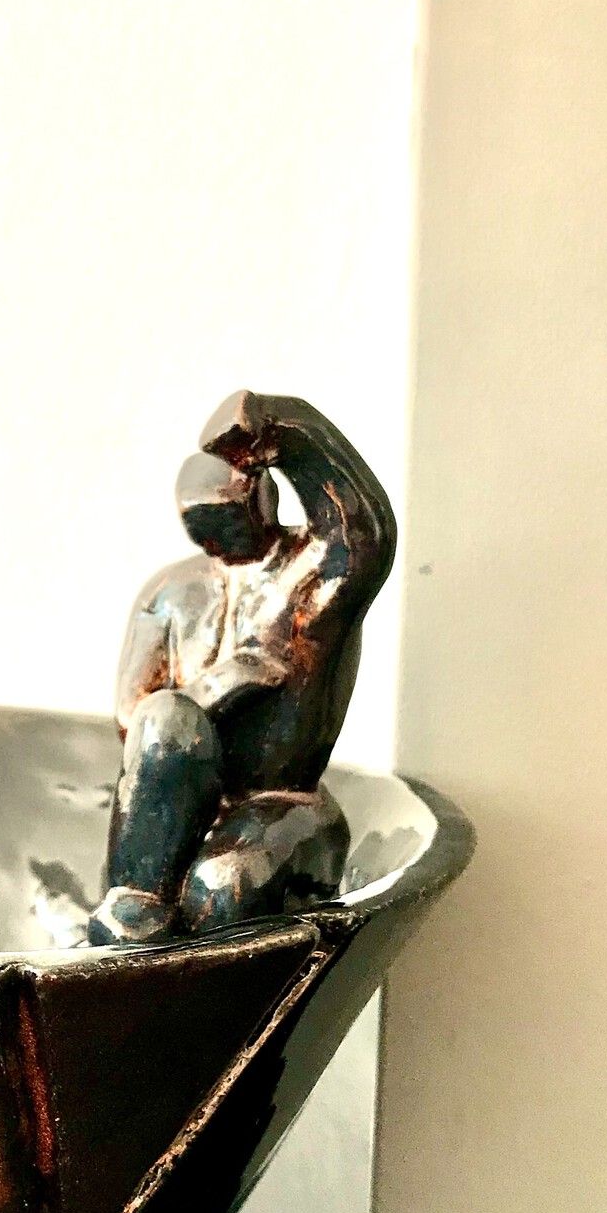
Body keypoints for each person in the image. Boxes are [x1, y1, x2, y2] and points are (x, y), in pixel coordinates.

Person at [89, 389, 397, 946]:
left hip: (279, 800)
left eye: (229, 516)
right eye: (205, 523)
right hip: (187, 800)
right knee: (166, 719)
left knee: (222, 887)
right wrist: (222, 685)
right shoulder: (170, 591)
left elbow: (362, 530)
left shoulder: (307, 574)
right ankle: (135, 908)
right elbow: (134, 717)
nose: (221, 537)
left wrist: (282, 429)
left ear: (262, 499)